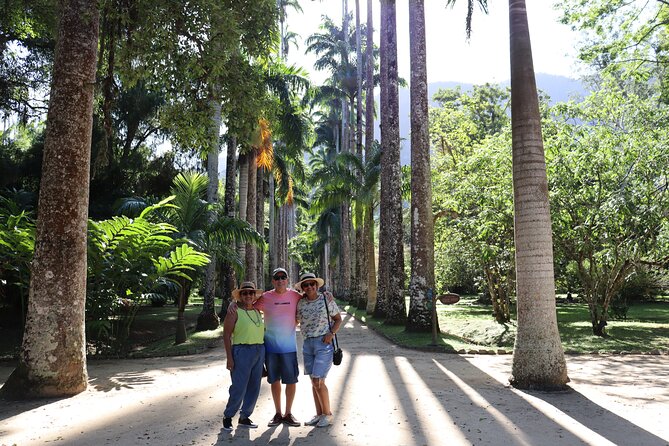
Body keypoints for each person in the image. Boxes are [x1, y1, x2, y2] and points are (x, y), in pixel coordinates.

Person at [255, 267, 303, 427]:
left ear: (287, 280)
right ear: (273, 281)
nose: (280, 280)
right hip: (270, 348)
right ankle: (278, 413)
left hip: (289, 348)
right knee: (274, 380)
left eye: (283, 277)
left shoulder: (295, 296)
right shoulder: (266, 297)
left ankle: (288, 413)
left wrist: (327, 296)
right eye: (277, 278)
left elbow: (310, 300)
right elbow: (249, 307)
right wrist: (235, 305)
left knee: (291, 381)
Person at [294, 272, 342, 428]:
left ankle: (327, 415)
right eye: (305, 285)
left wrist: (331, 333)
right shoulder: (300, 303)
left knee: (318, 380)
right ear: (302, 288)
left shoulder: (326, 300)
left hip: (323, 343)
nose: (309, 287)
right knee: (313, 381)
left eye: (312, 284)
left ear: (317, 285)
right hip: (308, 344)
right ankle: (319, 414)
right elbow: (295, 320)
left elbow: (338, 319)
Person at [222, 281, 265, 431]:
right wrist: (229, 357)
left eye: (251, 293)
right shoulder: (234, 311)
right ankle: (228, 416)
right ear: (240, 296)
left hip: (259, 350)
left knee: (254, 387)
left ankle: (245, 416)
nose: (248, 295)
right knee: (239, 387)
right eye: (245, 293)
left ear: (254, 295)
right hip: (241, 351)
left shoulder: (257, 311)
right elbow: (226, 335)